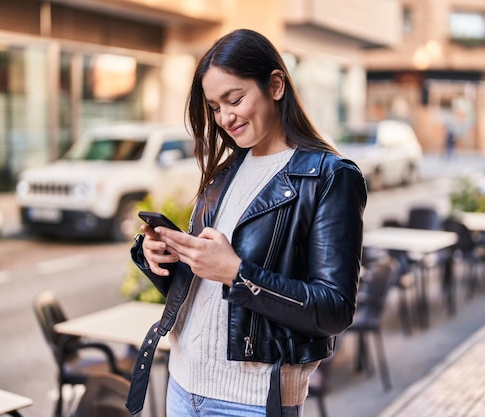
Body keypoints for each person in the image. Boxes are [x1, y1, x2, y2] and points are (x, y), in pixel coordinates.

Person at [125, 28, 368, 417]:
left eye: (234, 99)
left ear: (275, 85)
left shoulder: (329, 177)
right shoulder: (225, 173)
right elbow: (202, 288)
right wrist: (163, 257)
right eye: (215, 107)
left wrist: (238, 274)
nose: (224, 117)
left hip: (251, 400)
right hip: (183, 382)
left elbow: (334, 309)